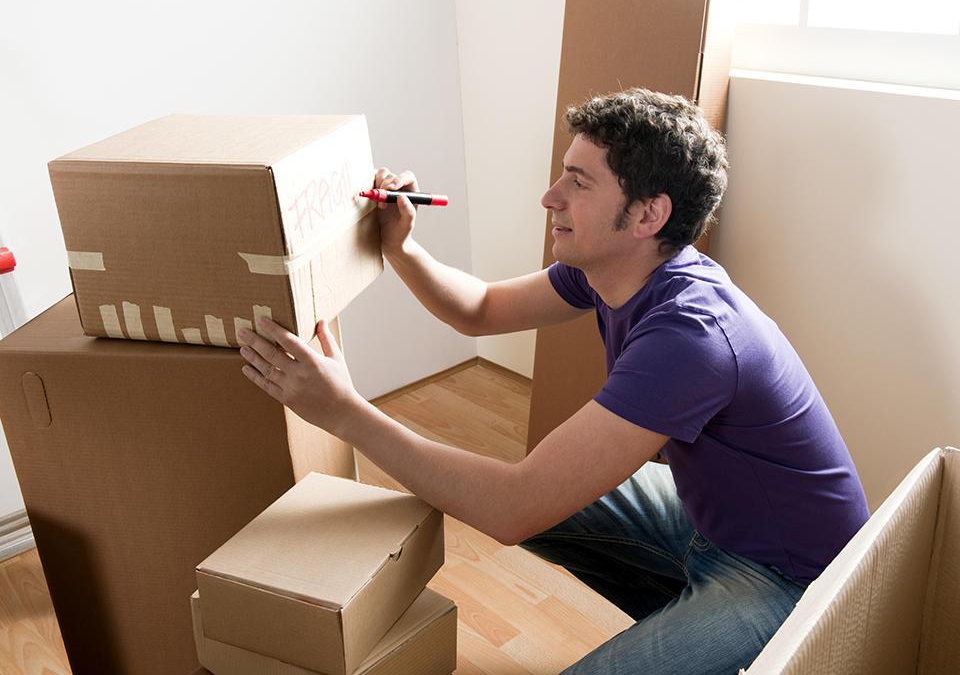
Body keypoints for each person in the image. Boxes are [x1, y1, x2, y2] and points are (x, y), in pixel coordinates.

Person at [238, 88, 869, 674]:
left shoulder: (693, 335)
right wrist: (403, 247)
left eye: (578, 182)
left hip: (795, 578)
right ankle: (693, 625)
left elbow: (513, 510)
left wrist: (344, 411)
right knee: (500, 482)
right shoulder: (613, 269)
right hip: (710, 521)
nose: (550, 197)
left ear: (649, 214)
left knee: (514, 496)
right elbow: (479, 308)